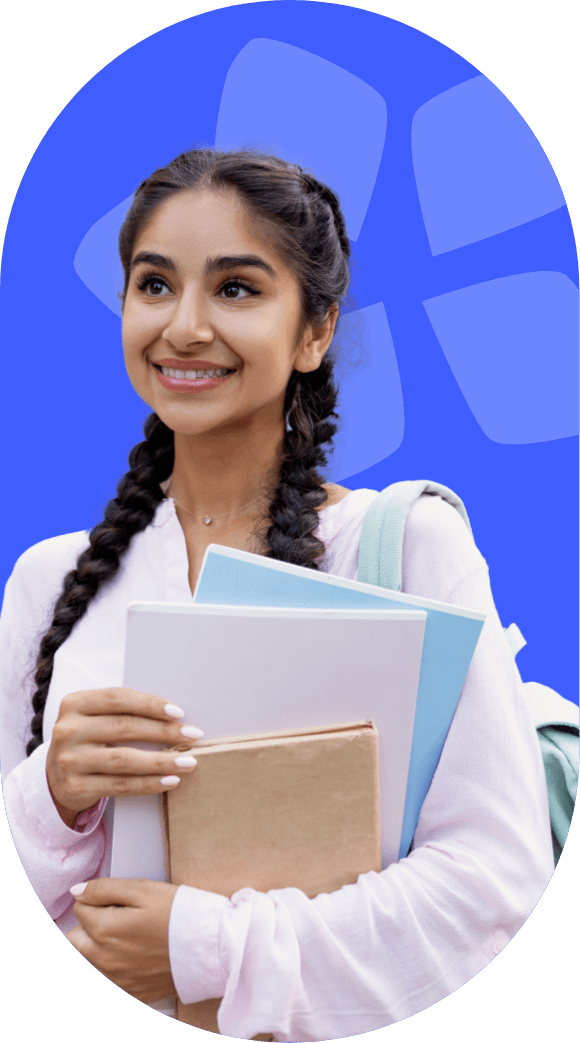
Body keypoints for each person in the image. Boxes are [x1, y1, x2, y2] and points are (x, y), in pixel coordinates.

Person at [0, 148, 554, 1039]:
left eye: (236, 289)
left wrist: (209, 946)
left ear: (316, 332)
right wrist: (51, 795)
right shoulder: (47, 581)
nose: (183, 326)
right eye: (153, 284)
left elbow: (495, 889)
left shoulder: (408, 547)